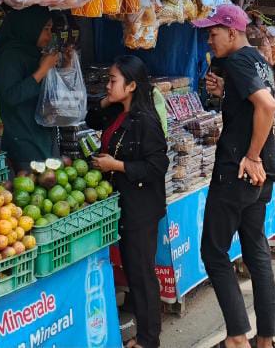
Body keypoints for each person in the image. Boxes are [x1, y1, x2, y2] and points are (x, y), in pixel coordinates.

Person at [194, 4, 275, 348]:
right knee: (257, 252)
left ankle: (236, 339)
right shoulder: (258, 58)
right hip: (262, 173)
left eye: (213, 34)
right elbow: (254, 104)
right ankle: (265, 340)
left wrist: (251, 155)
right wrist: (224, 93)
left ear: (232, 32)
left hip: (239, 171)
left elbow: (267, 106)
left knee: (214, 253)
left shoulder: (240, 61)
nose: (209, 42)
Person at [85, 56, 168, 348]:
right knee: (134, 272)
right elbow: (90, 117)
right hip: (124, 204)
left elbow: (158, 166)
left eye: (113, 81)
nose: (108, 85)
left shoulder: (145, 120)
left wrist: (117, 166)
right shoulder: (117, 112)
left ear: (132, 85)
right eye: (108, 79)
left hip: (141, 207)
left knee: (142, 275)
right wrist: (108, 99)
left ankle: (148, 341)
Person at [0, 6, 60, 171]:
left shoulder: (33, 52)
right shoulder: (9, 57)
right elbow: (10, 96)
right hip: (23, 139)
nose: (49, 35)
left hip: (43, 134)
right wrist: (42, 71)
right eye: (45, 29)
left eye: (50, 29)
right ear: (29, 27)